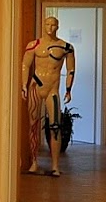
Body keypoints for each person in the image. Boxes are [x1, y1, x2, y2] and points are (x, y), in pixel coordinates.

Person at [20, 16, 75, 176]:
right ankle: (34, 162)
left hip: (53, 89)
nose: (50, 27)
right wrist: (23, 85)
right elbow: (25, 65)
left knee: (55, 126)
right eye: (48, 24)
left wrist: (68, 89)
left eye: (53, 25)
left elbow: (71, 69)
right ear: (43, 25)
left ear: (58, 27)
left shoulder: (66, 47)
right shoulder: (34, 45)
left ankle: (55, 165)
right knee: (33, 125)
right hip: (35, 86)